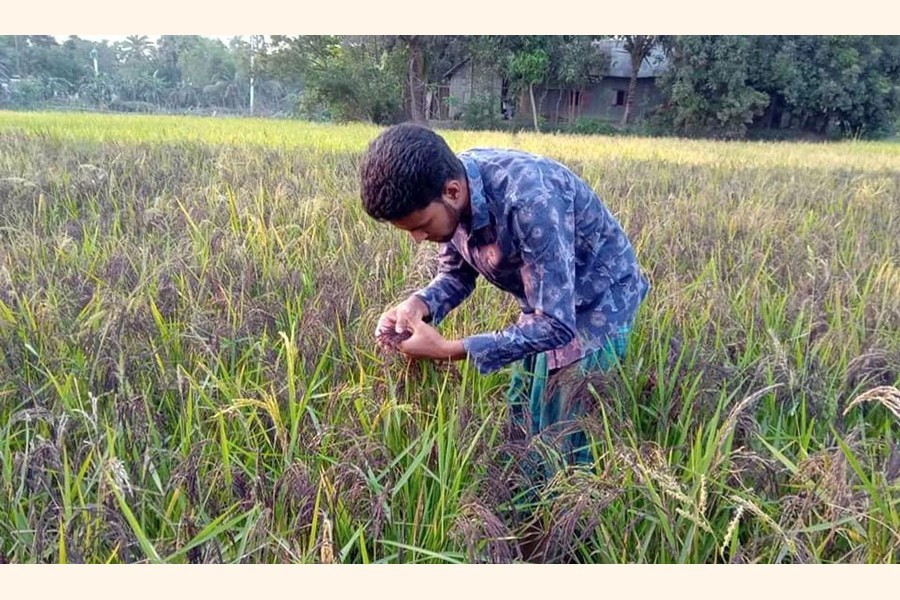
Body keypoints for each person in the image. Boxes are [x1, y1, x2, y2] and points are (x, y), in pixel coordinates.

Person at [360, 123, 650, 467]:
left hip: (596, 303)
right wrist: (418, 305)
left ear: (452, 192)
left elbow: (557, 324)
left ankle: (566, 513)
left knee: (562, 433)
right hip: (541, 304)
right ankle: (525, 505)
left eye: (421, 225)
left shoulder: (528, 201)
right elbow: (456, 273)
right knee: (524, 410)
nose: (418, 238)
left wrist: (450, 350)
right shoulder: (453, 188)